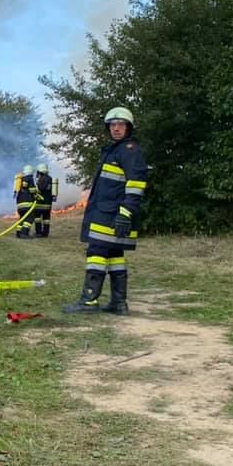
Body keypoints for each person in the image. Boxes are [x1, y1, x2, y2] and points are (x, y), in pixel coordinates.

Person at [62, 106, 148, 315]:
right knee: (114, 253)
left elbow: (136, 184)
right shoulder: (115, 150)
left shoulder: (129, 151)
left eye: (120, 124)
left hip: (113, 214)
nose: (116, 128)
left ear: (129, 127)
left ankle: (88, 301)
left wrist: (125, 214)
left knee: (96, 252)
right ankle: (119, 304)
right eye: (112, 124)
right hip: (109, 212)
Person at [13, 164, 38, 238]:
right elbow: (32, 190)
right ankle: (24, 233)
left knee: (22, 218)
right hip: (27, 202)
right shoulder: (29, 178)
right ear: (31, 172)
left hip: (19, 203)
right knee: (30, 218)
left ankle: (19, 233)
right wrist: (36, 197)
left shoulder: (20, 179)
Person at [33, 163, 54, 238]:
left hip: (40, 203)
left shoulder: (41, 179)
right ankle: (45, 233)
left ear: (40, 171)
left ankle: (38, 233)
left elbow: (40, 189)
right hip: (48, 203)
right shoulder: (50, 178)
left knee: (37, 218)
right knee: (46, 219)